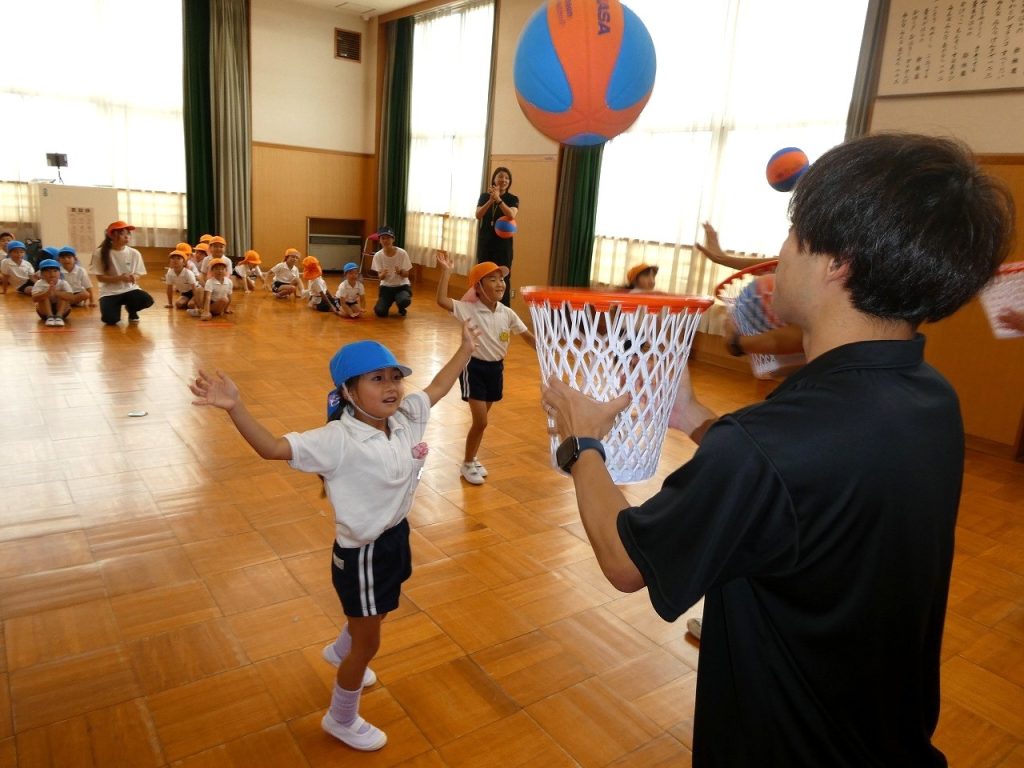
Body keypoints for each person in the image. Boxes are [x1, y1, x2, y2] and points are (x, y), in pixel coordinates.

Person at [540, 133, 1014, 766]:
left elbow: (627, 561)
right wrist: (694, 417)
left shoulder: (769, 443)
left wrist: (582, 442)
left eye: (792, 235)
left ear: (837, 262)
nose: (779, 254)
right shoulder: (930, 397)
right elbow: (805, 495)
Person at [188, 321, 479, 752]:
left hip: (395, 536)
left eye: (395, 377)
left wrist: (466, 349)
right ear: (348, 392)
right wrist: (235, 407)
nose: (391, 386)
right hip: (362, 555)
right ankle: (340, 717)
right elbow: (272, 448)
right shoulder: (337, 439)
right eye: (377, 379)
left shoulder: (405, 418)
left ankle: (342, 648)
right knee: (369, 643)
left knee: (381, 609)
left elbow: (438, 385)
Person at [435, 252, 536, 485]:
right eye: (492, 279)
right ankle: (467, 463)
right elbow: (442, 300)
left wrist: (549, 352)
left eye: (501, 279)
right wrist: (446, 272)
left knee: (481, 422)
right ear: (478, 287)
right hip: (474, 368)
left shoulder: (507, 313)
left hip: (496, 370)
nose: (500, 283)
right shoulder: (468, 309)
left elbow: (528, 337)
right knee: (481, 421)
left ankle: (472, 457)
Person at [89, 221, 154, 325]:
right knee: (110, 320)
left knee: (147, 300)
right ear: (111, 235)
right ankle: (115, 308)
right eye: (122, 233)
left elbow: (138, 273)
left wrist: (134, 277)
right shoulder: (99, 253)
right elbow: (100, 278)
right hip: (109, 292)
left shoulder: (134, 253)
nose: (126, 236)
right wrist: (120, 278)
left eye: (128, 233)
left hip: (129, 289)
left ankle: (131, 310)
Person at [475, 166, 518, 307]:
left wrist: (498, 199)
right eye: (500, 176)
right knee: (483, 275)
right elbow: (478, 215)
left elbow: (511, 214)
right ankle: (481, 307)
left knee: (502, 278)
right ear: (494, 179)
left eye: (507, 178)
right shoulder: (484, 196)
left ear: (509, 182)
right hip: (485, 243)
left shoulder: (512, 199)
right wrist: (490, 200)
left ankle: (503, 311)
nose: (503, 180)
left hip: (503, 246)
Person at [371, 227, 412, 317]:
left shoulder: (402, 253)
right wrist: (383, 274)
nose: (386, 240)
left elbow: (407, 274)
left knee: (404, 300)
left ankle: (401, 306)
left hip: (402, 286)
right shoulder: (378, 256)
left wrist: (400, 272)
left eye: (388, 238)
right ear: (380, 241)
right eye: (383, 238)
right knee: (380, 312)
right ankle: (387, 302)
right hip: (386, 287)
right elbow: (380, 277)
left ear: (393, 239)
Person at [31, 258, 74, 326]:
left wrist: (56, 292)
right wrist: (47, 293)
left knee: (64, 295)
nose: (52, 274)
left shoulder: (63, 283)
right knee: (43, 296)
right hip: (44, 312)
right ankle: (49, 316)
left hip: (63, 311)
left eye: (55, 271)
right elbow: (34, 299)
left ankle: (59, 316)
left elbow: (71, 297)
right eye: (47, 271)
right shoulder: (39, 283)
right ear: (41, 274)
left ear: (59, 273)